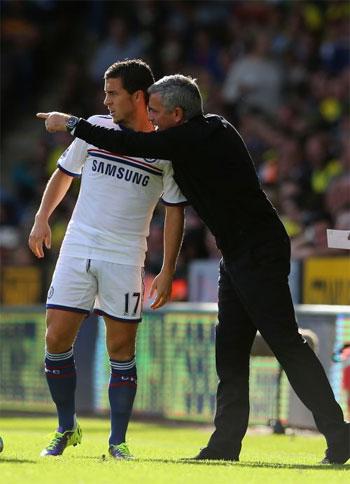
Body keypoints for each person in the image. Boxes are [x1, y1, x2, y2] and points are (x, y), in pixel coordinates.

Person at [37, 74, 349, 465]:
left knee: (286, 342)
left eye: (155, 112)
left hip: (258, 250)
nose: (150, 118)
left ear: (177, 114)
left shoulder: (190, 137)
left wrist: (70, 124)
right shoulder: (211, 129)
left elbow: (132, 142)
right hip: (236, 254)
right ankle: (225, 445)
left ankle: (340, 436)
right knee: (230, 350)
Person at [29, 61, 186, 459]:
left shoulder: (164, 150)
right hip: (78, 247)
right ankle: (67, 427)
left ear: (137, 97)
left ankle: (118, 441)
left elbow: (174, 211)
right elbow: (65, 172)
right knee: (56, 337)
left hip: (125, 255)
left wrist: (167, 270)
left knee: (121, 349)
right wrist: (42, 218)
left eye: (113, 92)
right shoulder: (95, 128)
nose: (106, 100)